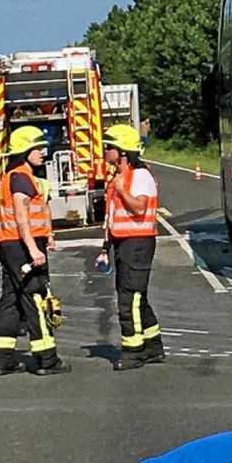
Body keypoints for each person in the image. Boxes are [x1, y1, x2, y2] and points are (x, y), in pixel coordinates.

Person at [0, 126, 69, 377]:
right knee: (35, 297)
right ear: (24, 151)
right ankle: (47, 359)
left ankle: (3, 359)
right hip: (24, 246)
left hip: (10, 245)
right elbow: (22, 217)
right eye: (37, 148)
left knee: (10, 299)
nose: (43, 153)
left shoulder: (10, 176)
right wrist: (34, 249)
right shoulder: (21, 177)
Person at [97, 124, 165, 371]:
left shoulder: (140, 176)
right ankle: (153, 347)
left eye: (110, 147)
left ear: (123, 151)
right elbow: (113, 216)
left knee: (130, 300)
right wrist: (105, 247)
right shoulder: (119, 177)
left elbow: (138, 207)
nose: (106, 151)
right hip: (122, 243)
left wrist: (121, 189)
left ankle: (133, 352)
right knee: (138, 297)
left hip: (138, 243)